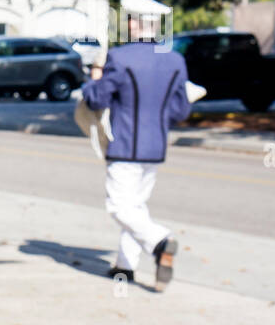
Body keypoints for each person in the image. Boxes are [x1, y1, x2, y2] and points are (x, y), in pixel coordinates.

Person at [81, 39, 192, 291]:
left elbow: (97, 99)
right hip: (155, 146)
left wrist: (94, 79)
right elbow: (180, 110)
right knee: (135, 205)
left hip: (125, 144)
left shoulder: (119, 57)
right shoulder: (175, 59)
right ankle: (125, 266)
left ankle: (160, 241)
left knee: (119, 206)